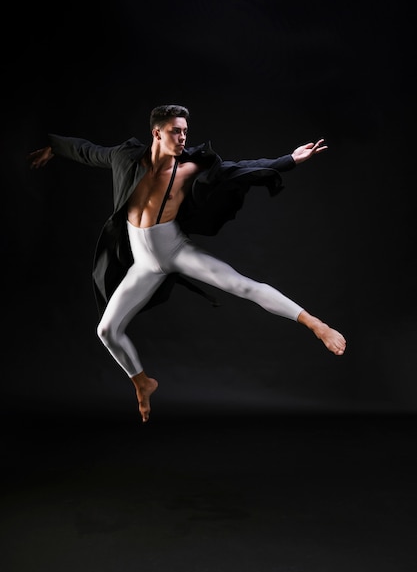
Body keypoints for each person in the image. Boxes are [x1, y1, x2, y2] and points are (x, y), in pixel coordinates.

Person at [28, 104, 346, 423]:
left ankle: (315, 324)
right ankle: (142, 383)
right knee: (107, 330)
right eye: (175, 131)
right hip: (144, 265)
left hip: (177, 250)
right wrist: (53, 147)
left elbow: (240, 168)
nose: (182, 137)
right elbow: (87, 151)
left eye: (184, 131)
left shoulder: (190, 168)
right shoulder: (125, 159)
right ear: (157, 133)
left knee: (242, 285)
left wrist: (290, 160)